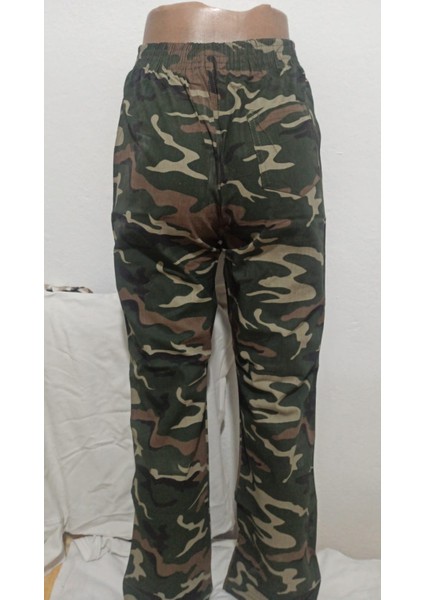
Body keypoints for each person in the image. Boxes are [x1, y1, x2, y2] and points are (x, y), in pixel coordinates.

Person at [112, 3, 326, 599]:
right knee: (282, 383)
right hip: (273, 97)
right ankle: (278, 582)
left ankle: (166, 583)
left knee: (164, 387)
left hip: (162, 101)